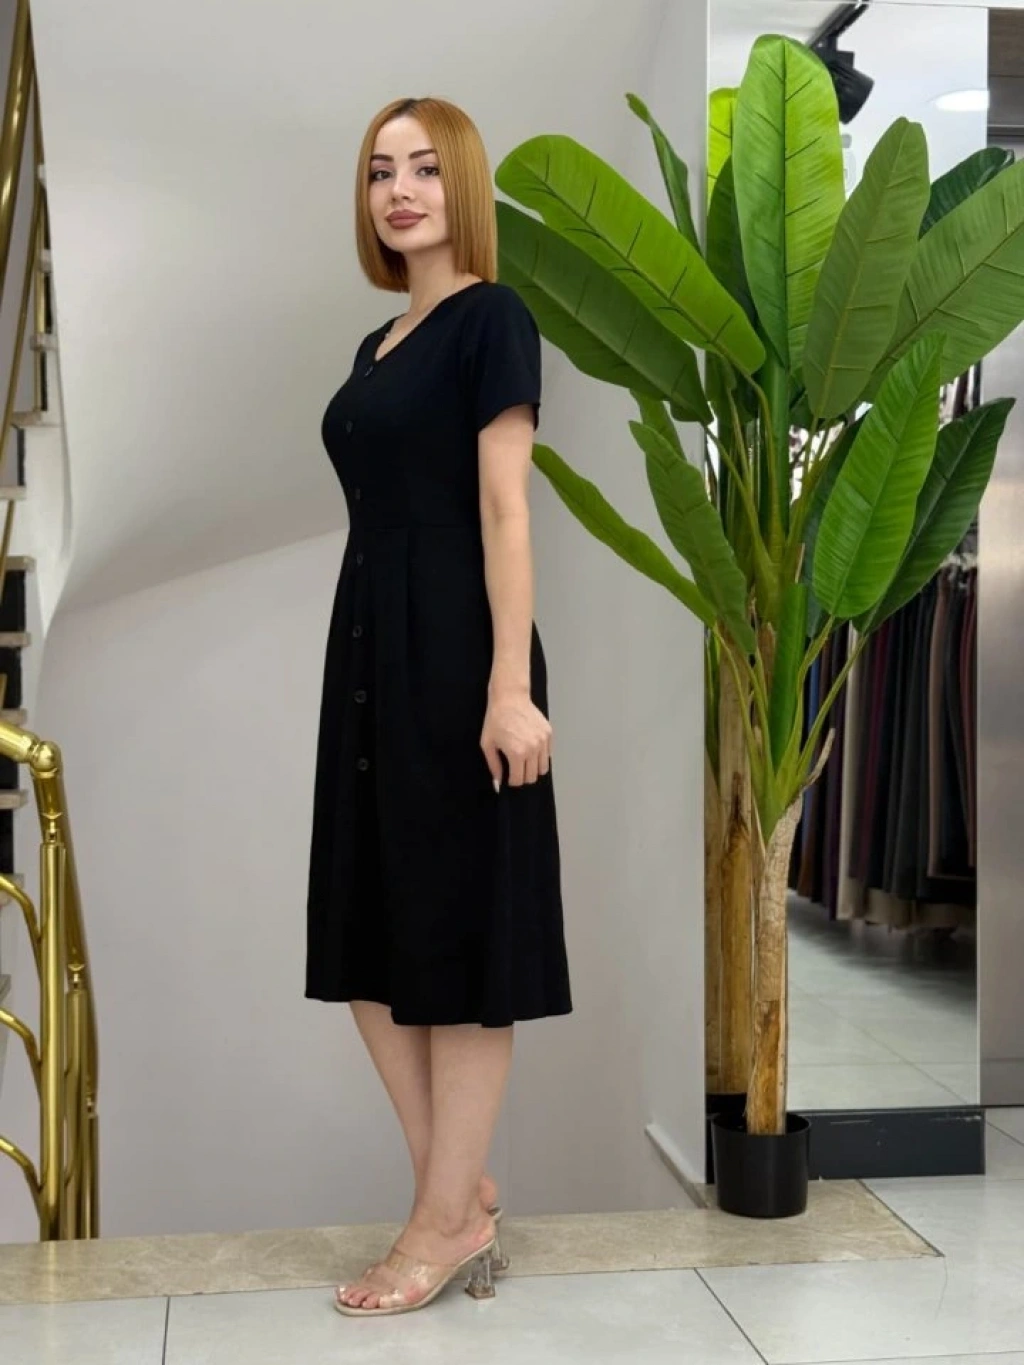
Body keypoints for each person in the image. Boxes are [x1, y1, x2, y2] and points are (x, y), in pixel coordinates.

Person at [305, 95, 573, 1318]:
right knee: (368, 932)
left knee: (459, 938)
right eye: (380, 171)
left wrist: (507, 687)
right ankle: (453, 1197)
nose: (400, 191)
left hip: (462, 654)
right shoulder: (379, 343)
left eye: (422, 168)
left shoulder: (491, 320)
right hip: (370, 647)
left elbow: (506, 509)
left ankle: (437, 1221)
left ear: (461, 185)